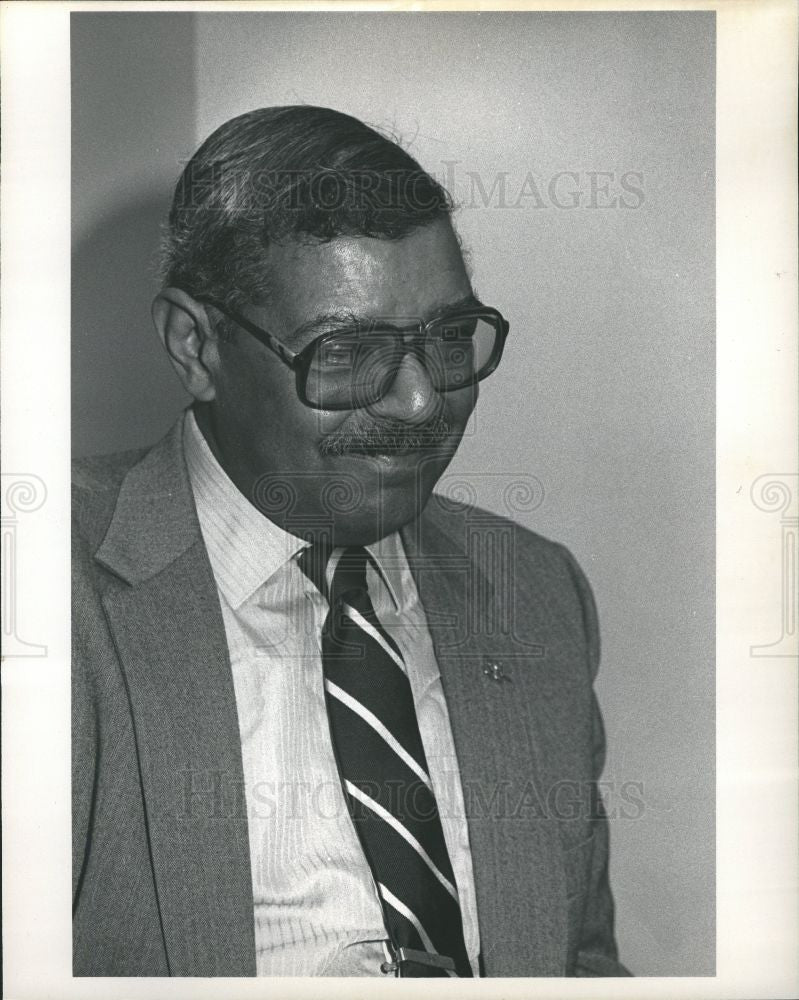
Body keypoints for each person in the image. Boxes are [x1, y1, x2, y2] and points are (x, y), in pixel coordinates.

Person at [72, 105, 629, 978]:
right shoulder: (44, 591)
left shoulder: (533, 588)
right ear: (195, 345)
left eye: (447, 340)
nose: (417, 402)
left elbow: (584, 967)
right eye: (346, 352)